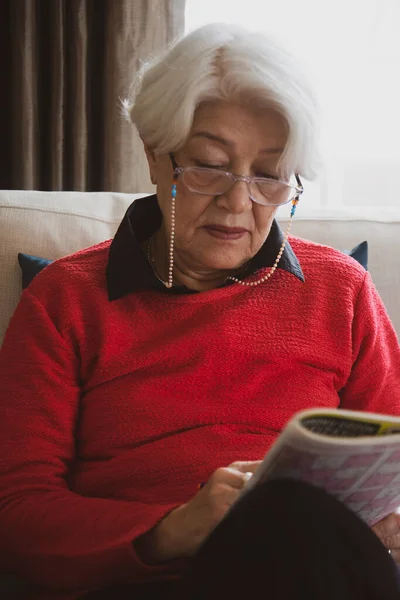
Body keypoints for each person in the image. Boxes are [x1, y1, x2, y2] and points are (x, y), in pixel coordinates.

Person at [0, 22, 400, 600]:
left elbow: (389, 462)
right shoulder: (66, 301)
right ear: (156, 157)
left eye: (268, 176)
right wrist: (176, 528)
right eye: (210, 165)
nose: (239, 201)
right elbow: (16, 513)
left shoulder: (342, 290)